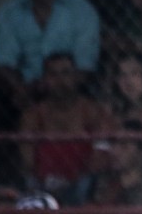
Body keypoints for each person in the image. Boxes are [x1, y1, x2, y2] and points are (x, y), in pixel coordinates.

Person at [16, 52, 105, 200]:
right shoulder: (34, 115)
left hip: (81, 182)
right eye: (53, 74)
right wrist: (46, 182)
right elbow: (28, 161)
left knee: (87, 183)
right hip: (44, 183)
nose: (60, 80)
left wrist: (75, 180)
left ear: (75, 77)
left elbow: (100, 156)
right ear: (44, 79)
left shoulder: (92, 111)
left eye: (65, 73)